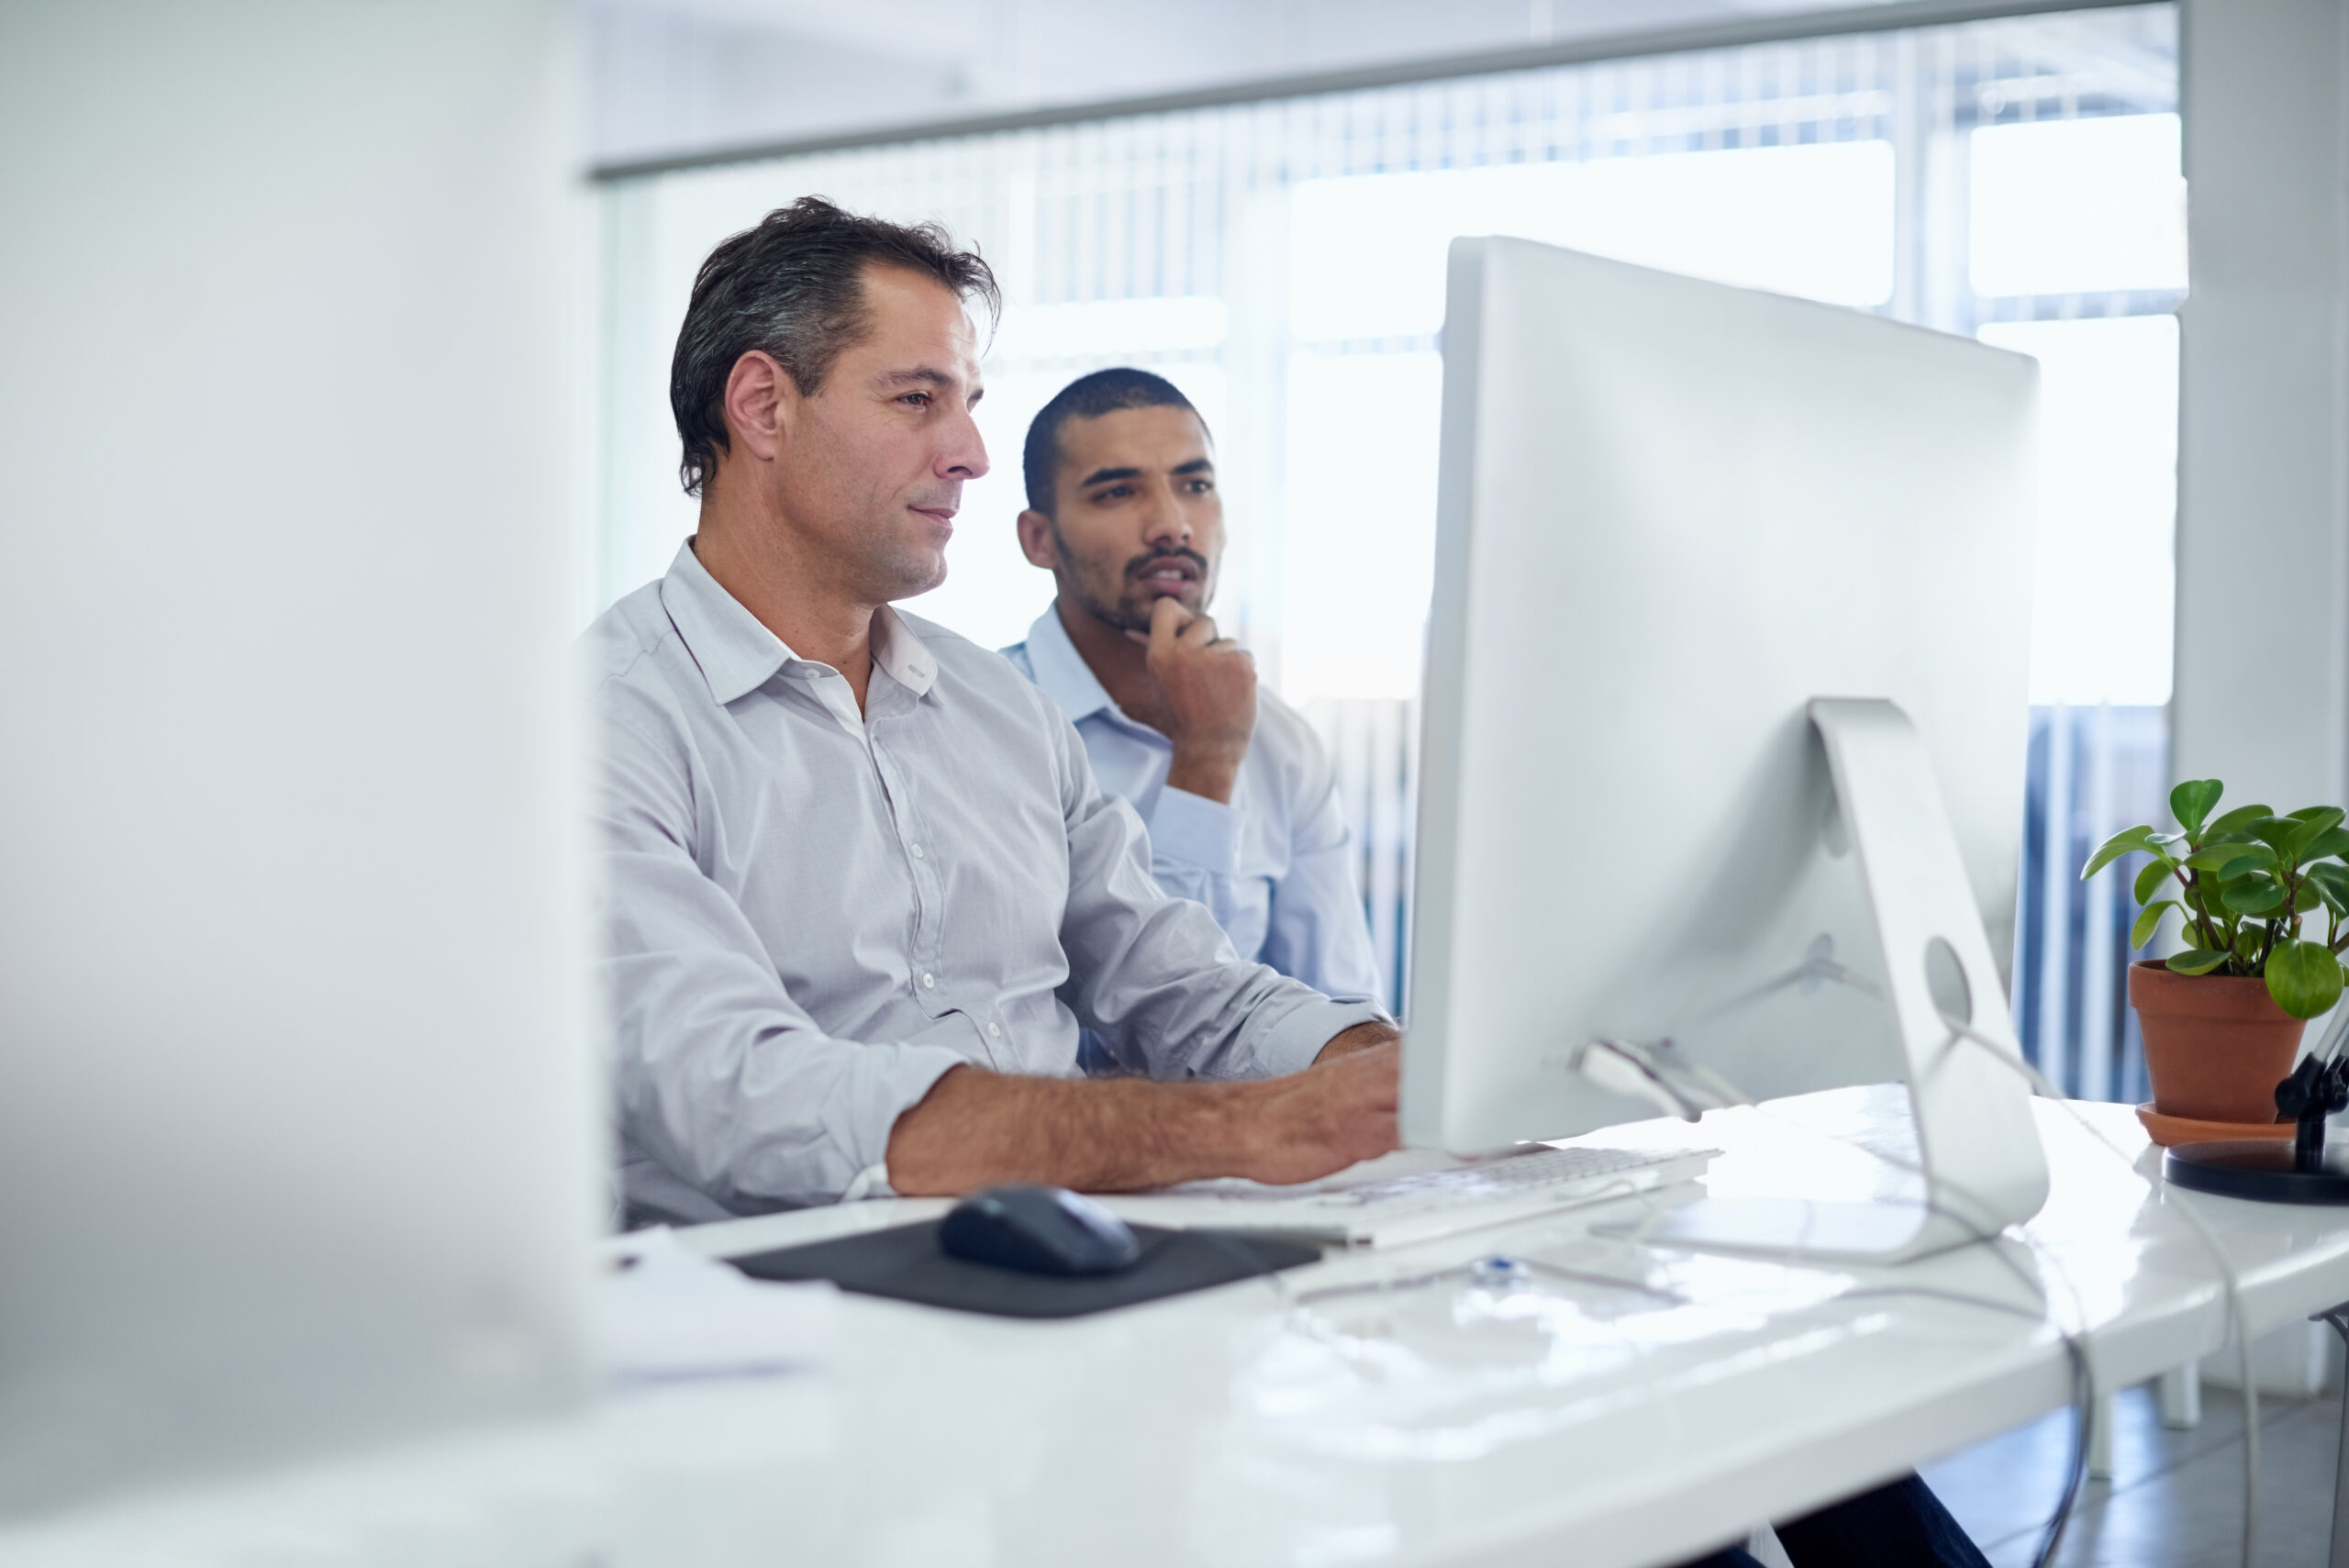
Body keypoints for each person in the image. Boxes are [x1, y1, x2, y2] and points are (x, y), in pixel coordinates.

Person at [583, 196, 1398, 1226]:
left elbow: (1181, 983)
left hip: (1081, 1255)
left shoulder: (999, 708)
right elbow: (743, 1098)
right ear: (762, 406)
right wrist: (1243, 1128)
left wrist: (1403, 1075)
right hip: (795, 1306)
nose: (969, 451)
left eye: (965, 401)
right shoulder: (606, 725)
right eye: (918, 400)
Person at [1001, 369, 1384, 1008]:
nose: (1172, 524)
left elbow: (1343, 1013)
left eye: (1196, 485)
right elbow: (1137, 1025)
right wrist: (1206, 761)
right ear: (1040, 540)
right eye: (1118, 491)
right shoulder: (983, 723)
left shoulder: (1282, 744)